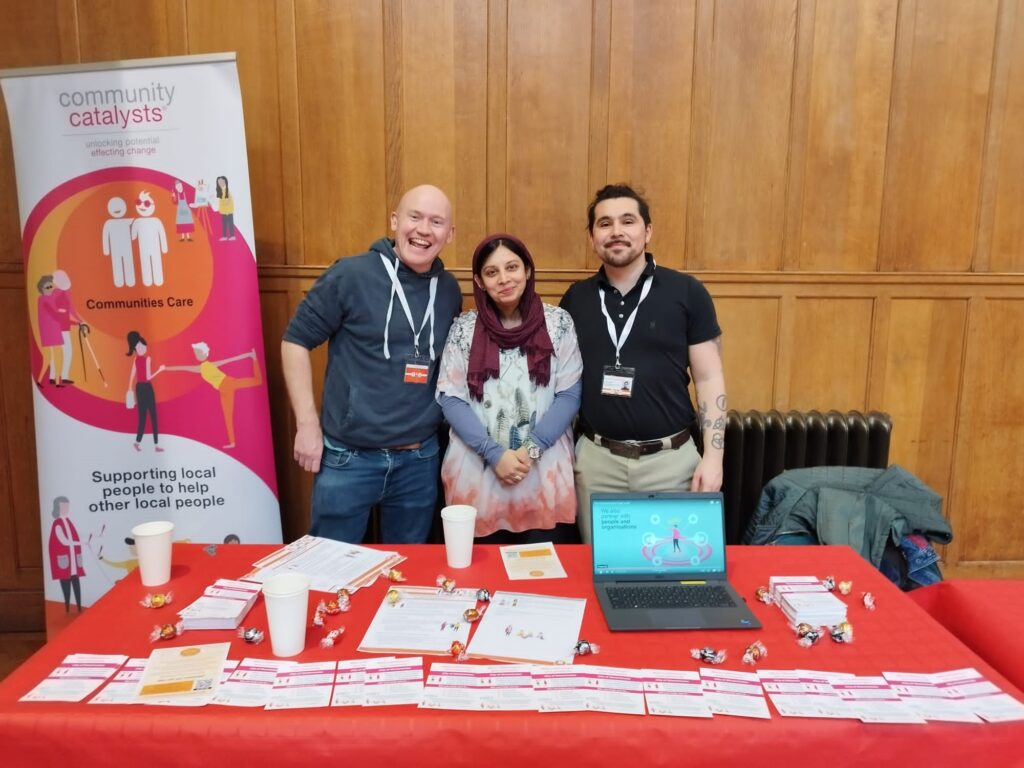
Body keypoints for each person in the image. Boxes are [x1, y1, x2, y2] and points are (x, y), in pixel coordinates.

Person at [282, 184, 462, 544]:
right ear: (395, 221)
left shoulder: (448, 290)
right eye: (415, 217)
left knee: (407, 571)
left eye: (436, 221)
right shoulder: (350, 275)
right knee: (329, 568)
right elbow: (295, 342)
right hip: (348, 460)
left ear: (449, 234)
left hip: (418, 460)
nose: (424, 230)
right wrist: (306, 424)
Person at [560, 184, 727, 544]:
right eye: (604, 224)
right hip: (597, 463)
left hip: (671, 464)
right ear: (592, 237)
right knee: (602, 573)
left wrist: (714, 458)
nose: (616, 231)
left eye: (627, 221)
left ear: (647, 231)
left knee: (672, 572)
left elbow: (710, 379)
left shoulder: (687, 292)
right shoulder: (576, 299)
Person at [437, 233, 582, 543]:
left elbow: (569, 395)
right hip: (477, 472)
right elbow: (451, 399)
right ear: (479, 280)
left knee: (543, 577)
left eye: (512, 267)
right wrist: (494, 454)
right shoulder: (463, 327)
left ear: (527, 270)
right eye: (492, 272)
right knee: (480, 576)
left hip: (543, 474)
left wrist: (530, 451)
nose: (504, 279)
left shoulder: (558, 322)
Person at [162, 343, 263, 449]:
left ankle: (254, 359)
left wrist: (248, 355)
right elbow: (183, 368)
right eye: (196, 353)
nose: (197, 355)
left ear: (205, 354)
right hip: (222, 390)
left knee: (258, 381)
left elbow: (230, 360)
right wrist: (166, 368)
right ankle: (232, 443)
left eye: (199, 352)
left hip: (228, 383)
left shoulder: (210, 364)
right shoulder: (199, 368)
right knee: (227, 416)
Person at [126, 330, 165, 452]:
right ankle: (156, 445)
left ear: (146, 346)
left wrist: (129, 388)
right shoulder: (146, 359)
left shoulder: (136, 359)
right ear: (135, 348)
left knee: (142, 417)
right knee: (152, 415)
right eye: (138, 346)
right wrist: (160, 370)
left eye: (142, 346)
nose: (141, 348)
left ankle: (138, 443)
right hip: (147, 388)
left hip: (139, 388)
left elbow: (132, 375)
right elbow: (147, 377)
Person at [47, 496, 84, 613]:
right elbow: (64, 541)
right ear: (58, 507)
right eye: (64, 506)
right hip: (65, 561)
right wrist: (81, 542)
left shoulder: (68, 521)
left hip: (73, 560)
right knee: (66, 587)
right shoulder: (57, 523)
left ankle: (79, 607)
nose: (66, 508)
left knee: (77, 584)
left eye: (67, 505)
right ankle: (67, 608)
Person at [35, 275, 64, 388]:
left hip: (54, 330)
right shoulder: (42, 300)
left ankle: (56, 381)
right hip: (48, 332)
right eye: (48, 287)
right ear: (42, 289)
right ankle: (41, 380)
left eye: (51, 286)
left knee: (57, 356)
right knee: (49, 357)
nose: (51, 288)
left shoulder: (52, 296)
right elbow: (54, 314)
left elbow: (60, 289)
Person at [214, 176, 235, 240]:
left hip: (229, 210)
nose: (220, 183)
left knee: (230, 223)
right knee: (224, 224)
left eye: (221, 181)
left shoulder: (227, 190)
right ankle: (224, 236)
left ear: (225, 181)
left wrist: (222, 205)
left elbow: (228, 201)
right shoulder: (221, 191)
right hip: (223, 211)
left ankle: (232, 235)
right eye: (219, 182)